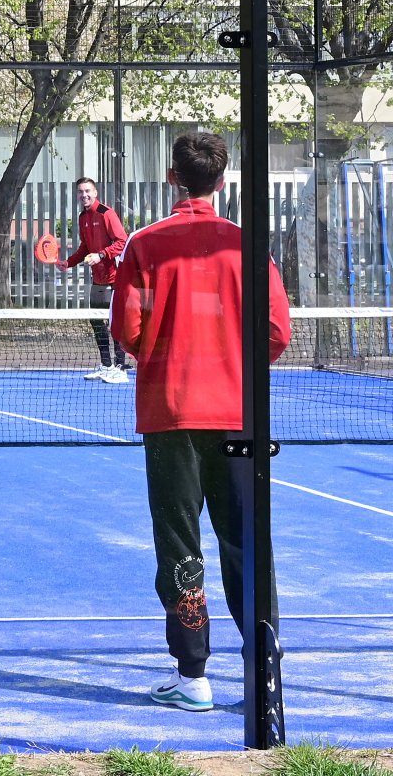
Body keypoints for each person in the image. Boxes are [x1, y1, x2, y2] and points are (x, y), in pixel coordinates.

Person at [111, 130, 289, 713]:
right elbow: (277, 334)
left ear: (173, 178)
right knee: (246, 542)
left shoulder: (145, 244)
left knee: (180, 545)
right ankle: (265, 670)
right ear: (222, 179)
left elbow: (128, 331)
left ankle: (193, 677)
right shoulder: (249, 245)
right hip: (239, 417)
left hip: (171, 418)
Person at [62, 175, 130, 382]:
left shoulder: (106, 214)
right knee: (96, 321)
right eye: (80, 192)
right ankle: (106, 364)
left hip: (114, 278)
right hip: (97, 279)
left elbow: (122, 241)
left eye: (87, 191)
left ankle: (120, 367)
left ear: (95, 193)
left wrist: (101, 254)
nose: (84, 195)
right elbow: (85, 247)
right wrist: (68, 262)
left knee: (114, 322)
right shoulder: (83, 217)